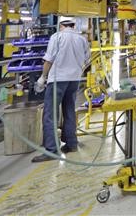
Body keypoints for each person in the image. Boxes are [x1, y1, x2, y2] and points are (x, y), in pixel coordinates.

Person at [32, 17, 90, 162]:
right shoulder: (81, 39)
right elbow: (87, 60)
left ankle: (51, 150)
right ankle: (71, 143)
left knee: (50, 114)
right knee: (69, 109)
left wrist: (42, 78)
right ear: (73, 24)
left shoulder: (56, 37)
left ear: (61, 25)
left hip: (58, 79)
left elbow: (49, 59)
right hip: (74, 80)